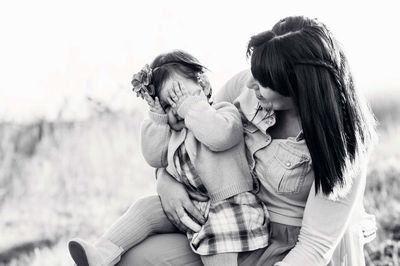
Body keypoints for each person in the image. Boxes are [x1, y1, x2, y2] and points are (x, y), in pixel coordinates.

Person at [117, 16, 377, 266]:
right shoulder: (244, 88)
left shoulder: (343, 143)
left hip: (290, 249)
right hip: (228, 226)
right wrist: (165, 180)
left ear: (299, 87)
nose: (251, 83)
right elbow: (193, 136)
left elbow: (314, 247)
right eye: (255, 72)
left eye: (263, 81)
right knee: (135, 259)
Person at [68, 50, 269, 266]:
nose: (178, 109)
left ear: (205, 87)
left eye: (181, 95)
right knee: (145, 208)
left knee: (217, 249)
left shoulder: (223, 113)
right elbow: (154, 157)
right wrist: (158, 119)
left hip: (228, 208)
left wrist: (191, 107)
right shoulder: (174, 133)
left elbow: (219, 137)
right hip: (190, 206)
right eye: (168, 105)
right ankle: (101, 254)